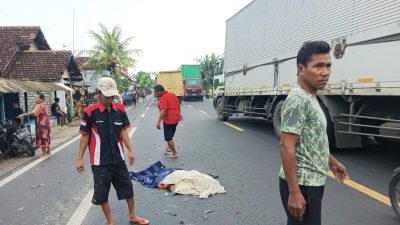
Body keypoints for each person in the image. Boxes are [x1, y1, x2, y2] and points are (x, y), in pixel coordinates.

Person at [279, 41, 348, 225]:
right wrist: (294, 193)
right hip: (302, 184)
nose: (325, 72)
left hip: (312, 182)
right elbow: (287, 146)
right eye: (318, 66)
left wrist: (332, 162)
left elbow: (314, 140)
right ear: (301, 69)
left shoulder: (312, 96)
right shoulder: (298, 100)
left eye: (328, 66)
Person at [75, 77, 149, 225]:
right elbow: (85, 136)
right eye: (107, 96)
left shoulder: (120, 109)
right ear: (99, 93)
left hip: (118, 159)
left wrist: (130, 150)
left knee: (128, 187)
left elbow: (123, 131)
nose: (110, 99)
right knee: (102, 194)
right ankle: (110, 222)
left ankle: (133, 216)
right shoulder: (90, 112)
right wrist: (80, 158)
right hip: (99, 162)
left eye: (112, 96)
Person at [17, 93, 51, 157]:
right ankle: (48, 150)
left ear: (42, 99)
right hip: (47, 124)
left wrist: (22, 115)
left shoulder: (39, 105)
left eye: (37, 98)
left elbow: (33, 112)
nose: (35, 100)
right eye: (35, 98)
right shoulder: (44, 105)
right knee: (46, 137)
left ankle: (44, 153)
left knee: (42, 138)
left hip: (42, 125)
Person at [154, 84, 182, 158]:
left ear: (159, 91)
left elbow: (163, 110)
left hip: (169, 120)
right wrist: (179, 114)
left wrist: (158, 121)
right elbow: (178, 104)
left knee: (168, 137)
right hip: (176, 119)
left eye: (155, 92)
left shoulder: (163, 98)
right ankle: (169, 147)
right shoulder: (172, 94)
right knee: (171, 134)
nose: (155, 94)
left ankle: (174, 153)